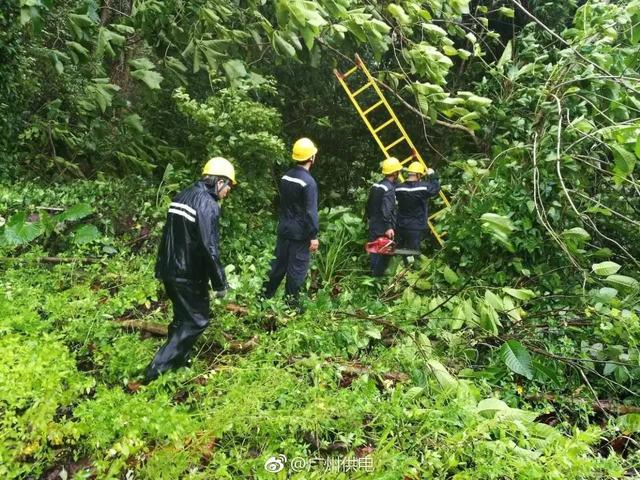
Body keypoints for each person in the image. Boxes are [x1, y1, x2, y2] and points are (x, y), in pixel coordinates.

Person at [144, 157, 236, 382]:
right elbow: (209, 246)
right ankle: (156, 372)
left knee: (182, 318)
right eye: (229, 186)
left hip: (169, 268)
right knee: (197, 320)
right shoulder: (207, 204)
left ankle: (179, 362)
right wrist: (220, 283)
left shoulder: (184, 194)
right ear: (219, 181)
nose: (228, 192)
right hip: (187, 274)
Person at [262, 138, 319, 312]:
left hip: (284, 229)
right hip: (300, 234)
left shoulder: (286, 176)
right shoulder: (309, 183)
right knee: (297, 271)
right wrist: (314, 236)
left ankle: (262, 299)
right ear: (311, 158)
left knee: (277, 267)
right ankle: (291, 308)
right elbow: (310, 212)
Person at [366, 157, 402, 276]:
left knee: (374, 251)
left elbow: (369, 204)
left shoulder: (376, 186)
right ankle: (378, 279)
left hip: (373, 224)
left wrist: (368, 218)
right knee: (382, 254)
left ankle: (372, 279)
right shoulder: (389, 189)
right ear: (394, 172)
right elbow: (386, 210)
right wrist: (388, 227)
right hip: (383, 227)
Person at [395, 161, 440, 253]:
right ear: (419, 175)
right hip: (416, 226)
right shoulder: (422, 188)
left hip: (401, 225)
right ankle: (410, 267)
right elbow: (435, 188)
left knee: (398, 252)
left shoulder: (399, 188)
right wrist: (432, 175)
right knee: (413, 253)